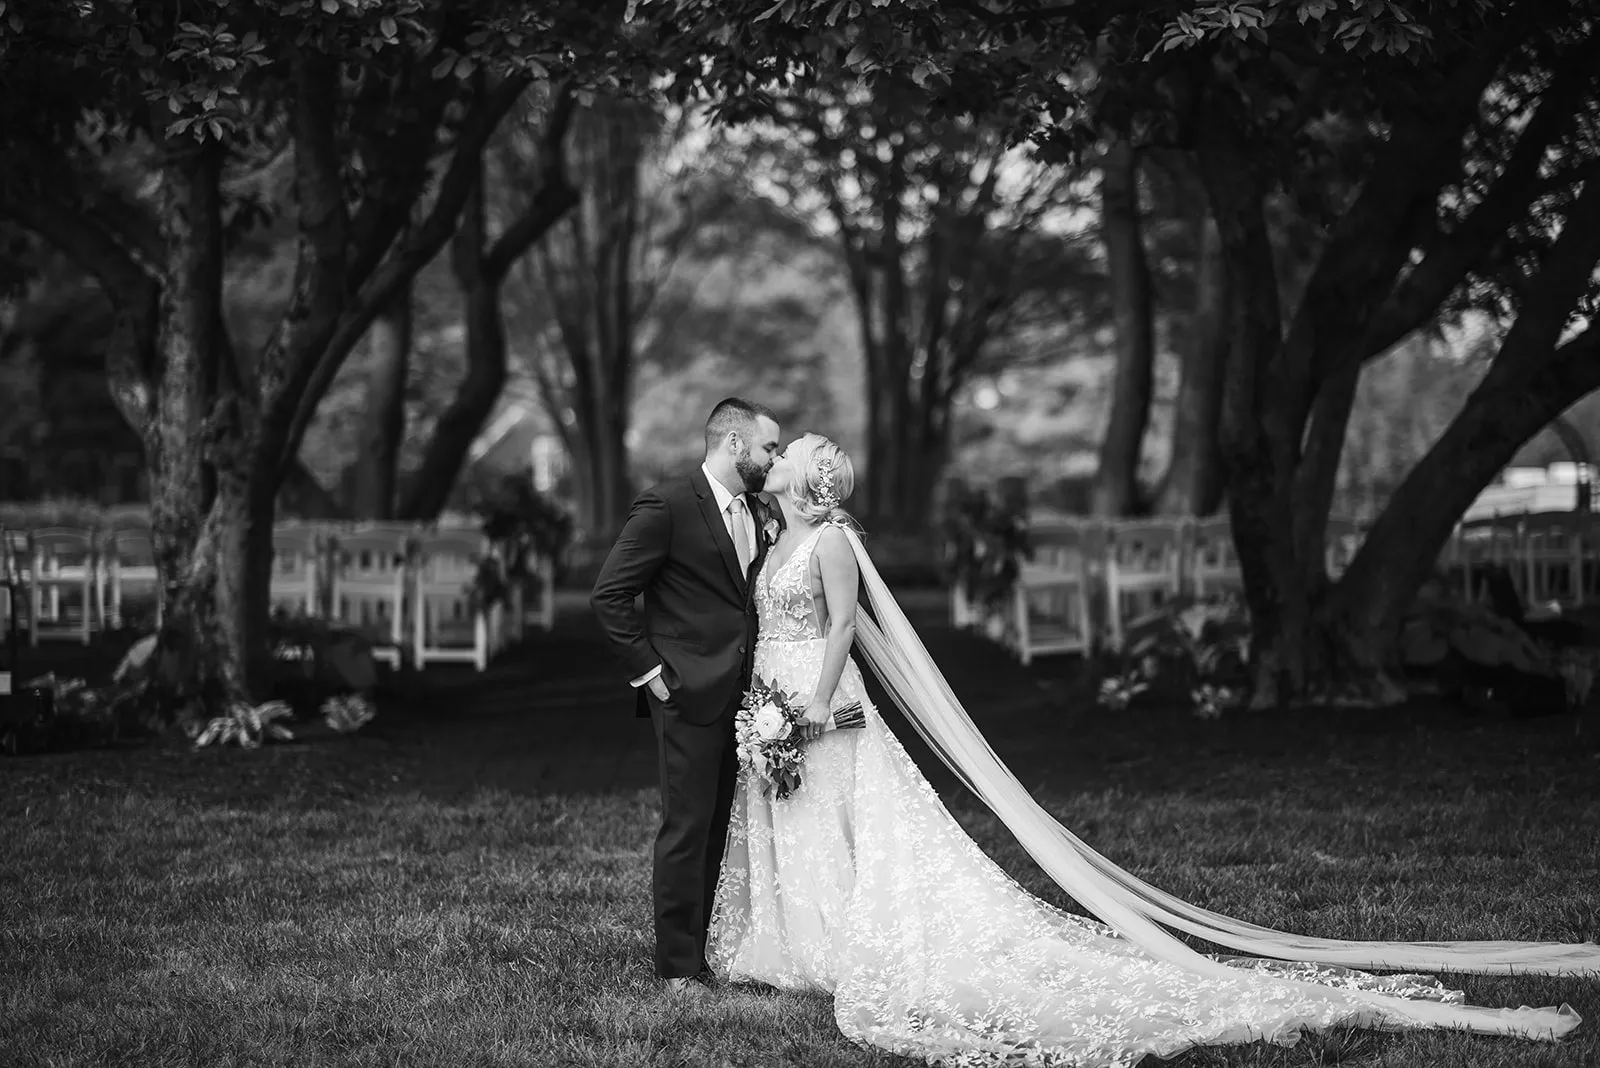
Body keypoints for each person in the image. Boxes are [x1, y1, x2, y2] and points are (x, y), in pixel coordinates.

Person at [707, 431, 1592, 1066]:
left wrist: (820, 699)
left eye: (787, 450)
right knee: (805, 821)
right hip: (773, 698)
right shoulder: (774, 537)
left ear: (809, 482)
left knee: (857, 821)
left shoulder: (828, 543)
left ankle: (855, 945)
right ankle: (806, 946)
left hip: (822, 702)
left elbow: (847, 628)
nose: (773, 455)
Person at [590, 398, 783, 995]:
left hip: (747, 697)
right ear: (734, 445)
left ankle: (707, 950)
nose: (774, 458)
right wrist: (652, 675)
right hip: (685, 692)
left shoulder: (759, 509)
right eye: (768, 447)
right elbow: (611, 595)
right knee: (686, 826)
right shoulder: (667, 503)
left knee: (721, 825)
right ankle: (677, 967)